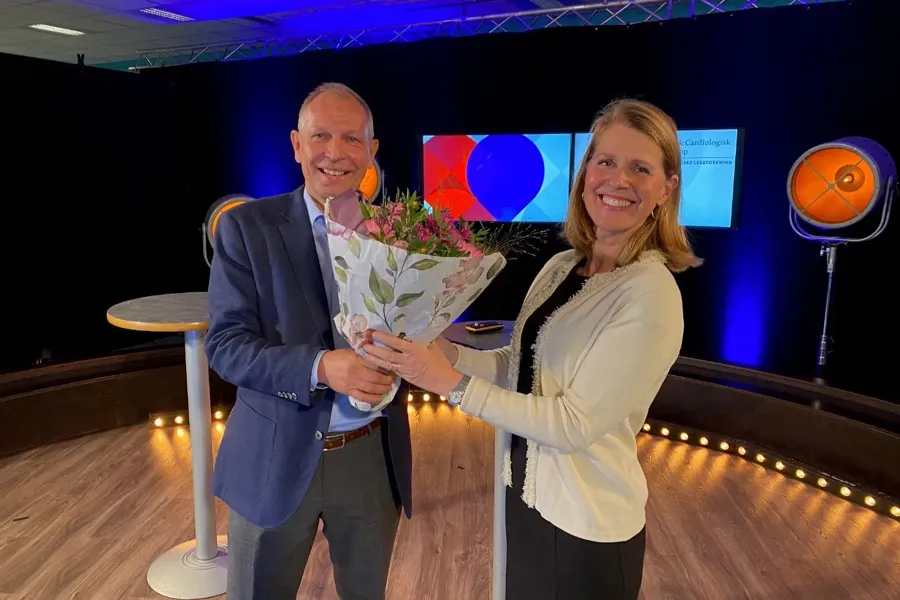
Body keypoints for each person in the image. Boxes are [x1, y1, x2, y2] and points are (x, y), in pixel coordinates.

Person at [362, 98, 702, 600]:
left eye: (640, 168)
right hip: (525, 496)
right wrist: (447, 354)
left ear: (666, 189)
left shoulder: (650, 294)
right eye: (604, 161)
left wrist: (447, 384)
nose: (617, 180)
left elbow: (572, 425)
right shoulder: (563, 266)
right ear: (585, 172)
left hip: (587, 526)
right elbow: (517, 364)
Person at [206, 82, 412, 600]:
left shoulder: (401, 236)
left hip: (370, 458)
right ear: (297, 144)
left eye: (351, 139)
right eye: (321, 136)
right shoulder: (246, 228)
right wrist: (322, 367)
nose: (335, 153)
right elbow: (226, 345)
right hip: (273, 460)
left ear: (372, 151)